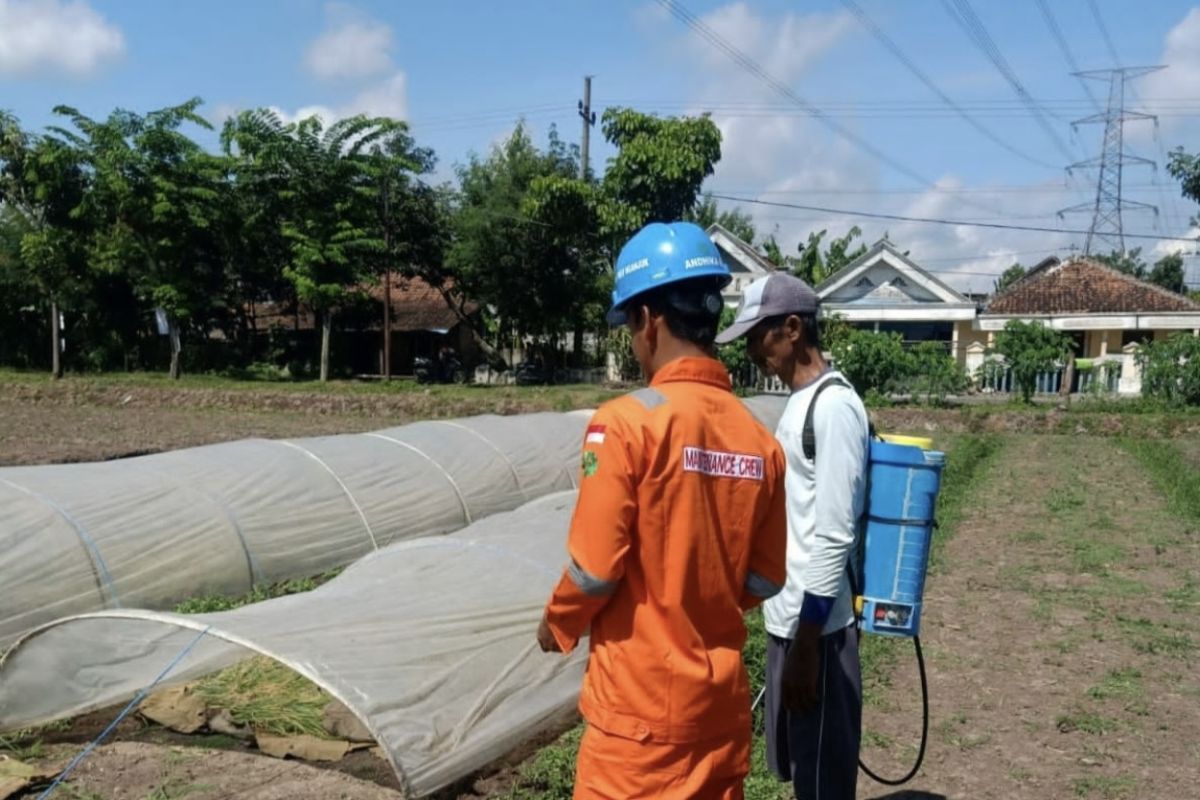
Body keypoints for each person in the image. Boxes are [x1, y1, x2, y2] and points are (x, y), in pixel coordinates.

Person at [536, 221, 788, 799]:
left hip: (638, 727)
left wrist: (556, 625)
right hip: (718, 716)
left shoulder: (626, 424)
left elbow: (594, 571)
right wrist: (701, 594)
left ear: (647, 321)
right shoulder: (757, 439)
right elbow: (767, 576)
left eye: (629, 324)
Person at [715, 272, 871, 800]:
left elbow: (832, 535)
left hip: (819, 634)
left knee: (823, 783)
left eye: (758, 337)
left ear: (792, 328)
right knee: (801, 769)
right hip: (792, 627)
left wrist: (807, 644)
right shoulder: (798, 404)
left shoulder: (834, 408)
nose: (754, 351)